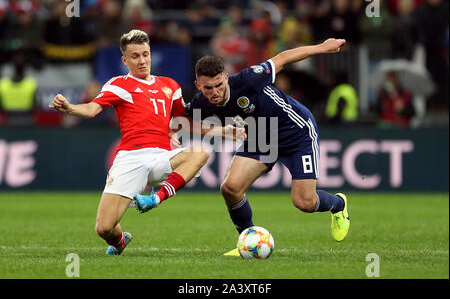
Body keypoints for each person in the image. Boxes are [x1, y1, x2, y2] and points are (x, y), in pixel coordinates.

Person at [49, 30, 214, 256]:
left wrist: (221, 130)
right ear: (124, 60)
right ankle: (120, 241)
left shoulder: (170, 86)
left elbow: (184, 122)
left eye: (145, 54)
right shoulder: (118, 85)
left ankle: (155, 198)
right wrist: (70, 108)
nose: (142, 60)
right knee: (104, 227)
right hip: (130, 158)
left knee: (201, 152)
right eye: (135, 56)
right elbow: (92, 109)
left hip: (161, 157)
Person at [188, 38, 350, 256]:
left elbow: (283, 58)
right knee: (230, 189)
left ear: (226, 78)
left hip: (295, 131)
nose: (215, 92)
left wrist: (322, 48)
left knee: (304, 202)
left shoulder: (248, 79)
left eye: (219, 85)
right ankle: (249, 241)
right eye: (208, 88)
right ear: (199, 86)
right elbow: (182, 121)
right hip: (259, 136)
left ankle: (338, 204)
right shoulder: (200, 102)